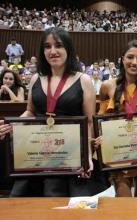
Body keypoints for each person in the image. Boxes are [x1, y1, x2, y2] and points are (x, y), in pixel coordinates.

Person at [3, 27, 107, 197]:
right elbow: (30, 111)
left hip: (70, 154)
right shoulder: (36, 78)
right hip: (39, 152)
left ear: (68, 48)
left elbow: (88, 122)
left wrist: (87, 155)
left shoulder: (84, 80)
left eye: (58, 45)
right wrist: (10, 124)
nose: (52, 51)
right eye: (47, 46)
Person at [97, 39, 137, 197]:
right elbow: (102, 118)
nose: (134, 62)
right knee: (124, 204)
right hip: (120, 155)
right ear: (122, 59)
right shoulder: (107, 86)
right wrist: (99, 137)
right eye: (130, 57)